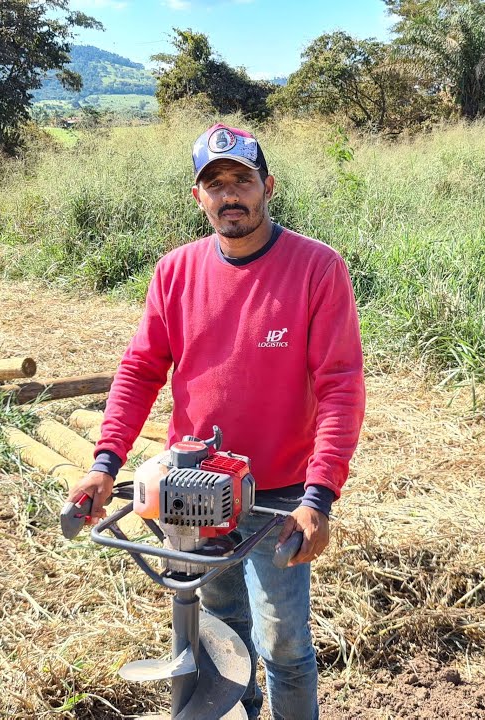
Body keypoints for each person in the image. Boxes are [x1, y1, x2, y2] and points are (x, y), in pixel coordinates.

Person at [67, 123, 366, 719]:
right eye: (215, 184)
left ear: (267, 186)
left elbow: (340, 387)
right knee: (221, 628)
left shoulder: (316, 268)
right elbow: (140, 369)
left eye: (242, 180)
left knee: (283, 643)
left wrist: (320, 495)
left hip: (280, 495)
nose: (231, 195)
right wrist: (106, 462)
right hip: (195, 487)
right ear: (197, 196)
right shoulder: (175, 272)